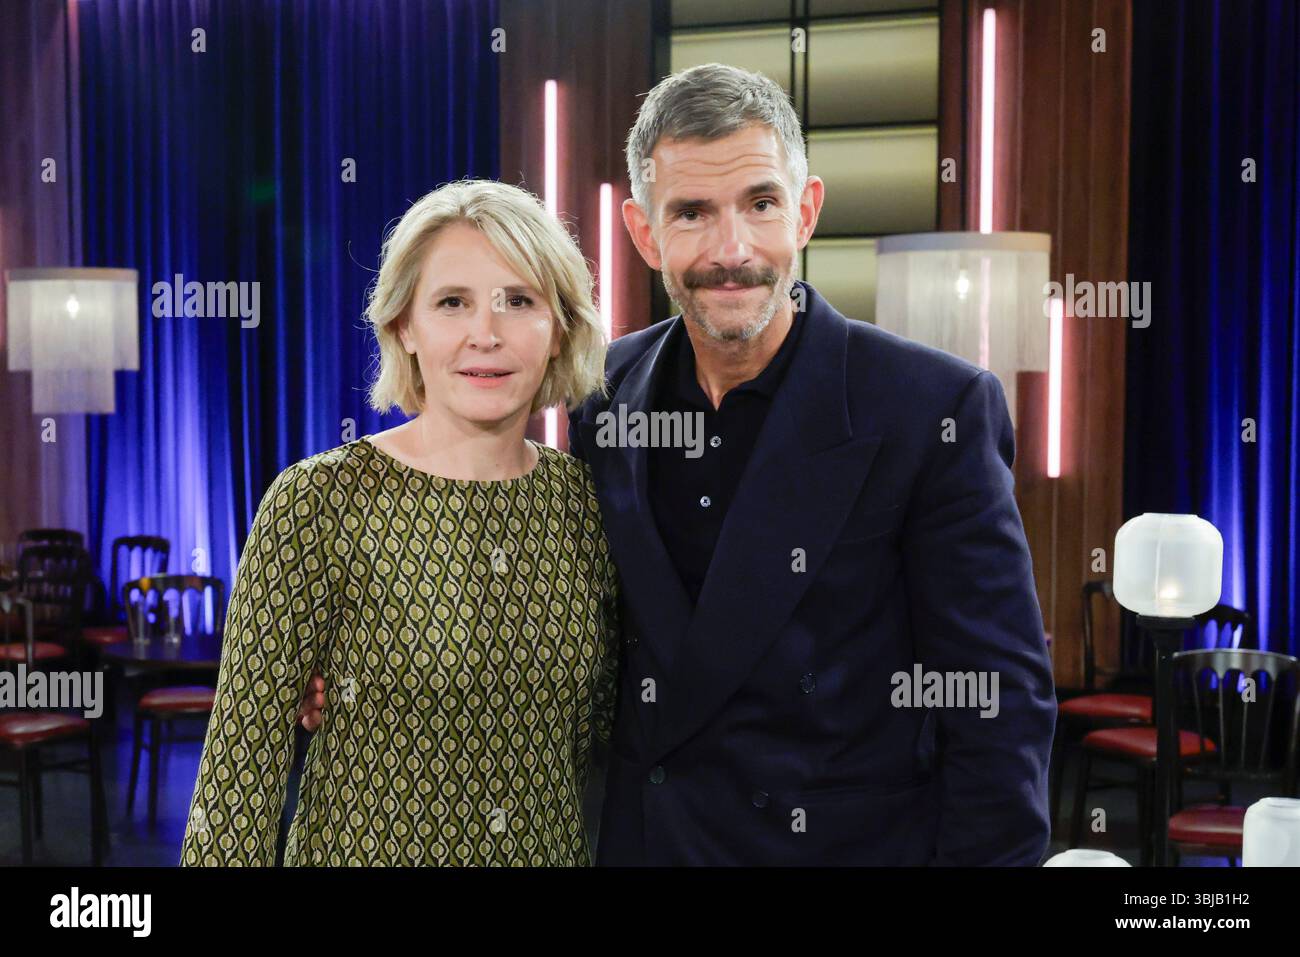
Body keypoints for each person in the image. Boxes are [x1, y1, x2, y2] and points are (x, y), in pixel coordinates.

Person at [305, 63, 1058, 867]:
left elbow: (998, 712)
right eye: (693, 212)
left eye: (760, 204)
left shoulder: (930, 408)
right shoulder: (604, 395)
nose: (731, 250)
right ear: (643, 232)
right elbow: (583, 637)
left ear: (805, 212)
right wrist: (370, 673)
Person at [181, 178, 618, 866]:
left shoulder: (584, 502)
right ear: (404, 326)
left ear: (559, 326)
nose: (486, 333)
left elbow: (610, 729)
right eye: (453, 302)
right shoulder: (318, 502)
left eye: (519, 301)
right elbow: (238, 785)